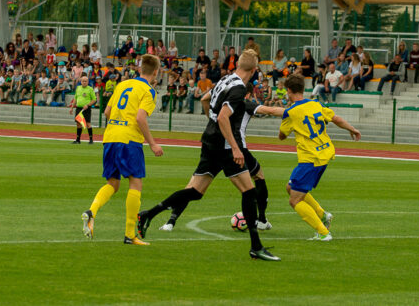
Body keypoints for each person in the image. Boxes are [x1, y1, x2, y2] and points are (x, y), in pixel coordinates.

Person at [135, 50, 279, 261]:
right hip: (224, 145)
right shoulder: (239, 87)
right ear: (255, 70)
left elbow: (207, 101)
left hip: (210, 140)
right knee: (249, 192)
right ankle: (256, 247)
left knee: (195, 191)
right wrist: (236, 148)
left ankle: (148, 214)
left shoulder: (225, 78)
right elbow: (223, 118)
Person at [143, 94, 286, 232]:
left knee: (192, 189)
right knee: (254, 182)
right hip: (235, 149)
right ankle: (260, 222)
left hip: (213, 147)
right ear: (247, 94)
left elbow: (204, 99)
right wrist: (295, 111)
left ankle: (169, 222)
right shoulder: (244, 103)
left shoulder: (220, 102)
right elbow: (271, 110)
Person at [81, 54, 163, 246]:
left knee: (113, 183)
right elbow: (140, 118)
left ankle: (91, 212)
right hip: (129, 140)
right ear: (156, 72)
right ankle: (129, 234)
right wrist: (152, 143)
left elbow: (107, 112)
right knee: (135, 184)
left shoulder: (122, 85)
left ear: (140, 68)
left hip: (110, 137)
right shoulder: (148, 91)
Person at [279, 74, 361, 242]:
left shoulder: (291, 112)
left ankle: (323, 231)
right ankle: (323, 215)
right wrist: (352, 129)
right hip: (324, 154)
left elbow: (281, 136)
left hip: (310, 159)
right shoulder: (316, 104)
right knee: (290, 187)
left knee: (294, 200)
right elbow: (335, 118)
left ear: (288, 91)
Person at [70, 75, 97, 144]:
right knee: (78, 124)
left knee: (88, 123)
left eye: (85, 81)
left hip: (87, 109)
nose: (84, 82)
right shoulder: (78, 88)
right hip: (79, 108)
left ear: (88, 82)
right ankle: (78, 140)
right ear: (80, 82)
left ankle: (91, 140)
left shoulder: (90, 89)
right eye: (83, 81)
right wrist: (72, 108)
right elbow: (75, 98)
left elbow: (94, 99)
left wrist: (88, 105)